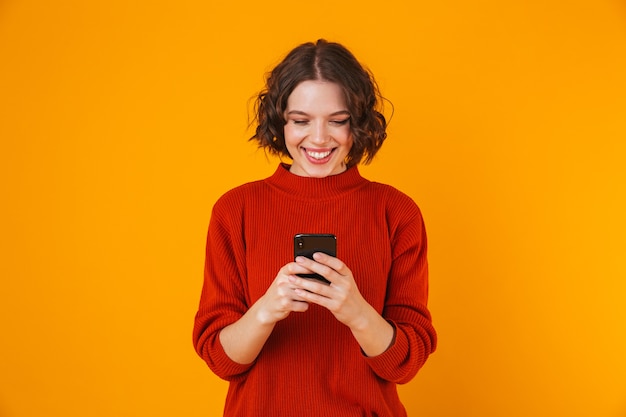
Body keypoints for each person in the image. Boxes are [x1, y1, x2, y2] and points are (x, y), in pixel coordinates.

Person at [193, 39, 437, 417]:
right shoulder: (236, 210)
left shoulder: (396, 212)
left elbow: (404, 364)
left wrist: (356, 311)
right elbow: (222, 362)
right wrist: (266, 310)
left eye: (337, 121)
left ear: (358, 122)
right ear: (280, 121)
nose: (319, 138)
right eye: (301, 121)